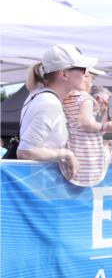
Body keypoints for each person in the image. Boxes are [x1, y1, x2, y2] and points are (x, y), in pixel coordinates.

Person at [15, 44, 94, 178]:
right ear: (63, 74)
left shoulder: (39, 96)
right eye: (82, 69)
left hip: (40, 185)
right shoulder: (50, 102)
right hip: (39, 187)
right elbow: (25, 151)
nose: (86, 73)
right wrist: (65, 154)